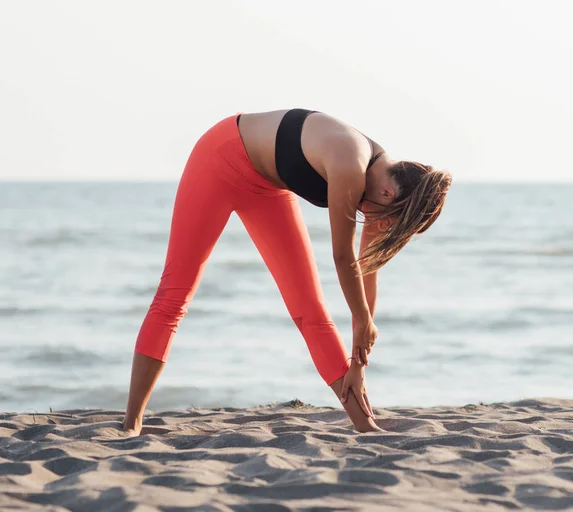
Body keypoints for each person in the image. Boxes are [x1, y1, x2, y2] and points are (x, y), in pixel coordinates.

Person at [123, 109, 451, 435]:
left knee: (310, 310)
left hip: (266, 187)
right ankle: (131, 424)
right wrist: (364, 321)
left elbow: (367, 270)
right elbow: (342, 256)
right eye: (392, 221)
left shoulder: (383, 185)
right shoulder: (350, 163)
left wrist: (358, 362)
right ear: (389, 194)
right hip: (220, 157)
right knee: (173, 296)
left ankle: (365, 425)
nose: (382, 225)